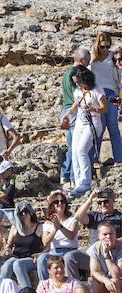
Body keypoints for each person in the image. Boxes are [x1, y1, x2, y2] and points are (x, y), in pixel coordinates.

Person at [66, 66, 107, 198]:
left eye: (79, 81)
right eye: (75, 82)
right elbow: (76, 103)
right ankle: (78, 183)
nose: (77, 84)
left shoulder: (97, 90)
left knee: (81, 150)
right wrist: (69, 114)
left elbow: (104, 108)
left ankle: (85, 182)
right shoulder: (78, 90)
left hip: (93, 123)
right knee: (74, 151)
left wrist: (93, 108)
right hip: (79, 123)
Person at [91, 33, 122, 168]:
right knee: (99, 128)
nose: (105, 49)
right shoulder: (92, 59)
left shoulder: (113, 57)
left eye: (108, 46)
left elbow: (119, 76)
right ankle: (95, 160)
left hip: (111, 94)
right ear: (98, 45)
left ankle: (119, 159)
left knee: (113, 127)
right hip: (96, 93)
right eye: (103, 46)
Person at [88, 220, 122, 293]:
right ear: (99, 236)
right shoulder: (95, 248)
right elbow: (94, 271)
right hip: (106, 284)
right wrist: (105, 280)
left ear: (115, 234)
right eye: (105, 234)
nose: (108, 237)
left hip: (119, 283)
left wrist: (107, 254)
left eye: (111, 233)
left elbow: (117, 274)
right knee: (93, 281)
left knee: (114, 281)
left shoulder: (120, 248)